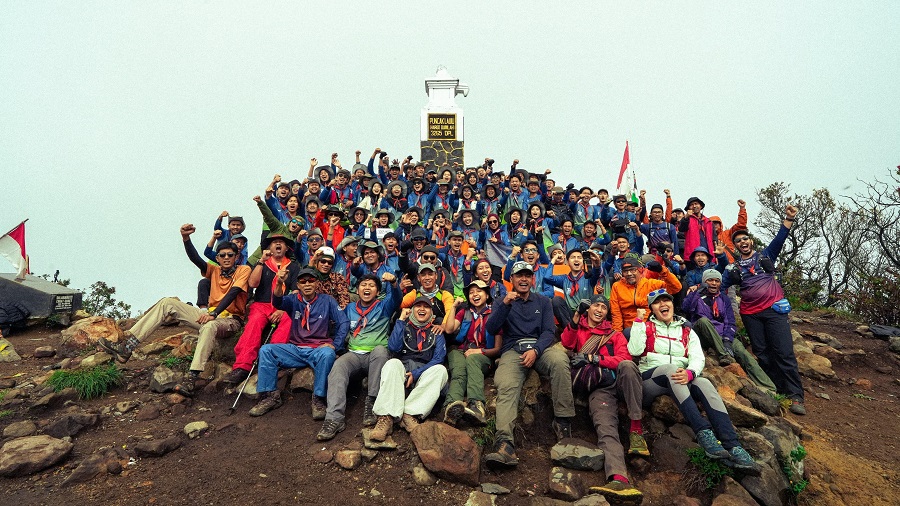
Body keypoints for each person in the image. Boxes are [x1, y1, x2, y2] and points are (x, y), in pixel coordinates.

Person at [99, 224, 250, 396]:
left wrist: (213, 314)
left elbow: (234, 292)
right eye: (222, 255)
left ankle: (192, 377)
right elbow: (196, 259)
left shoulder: (243, 270)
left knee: (209, 326)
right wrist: (186, 239)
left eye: (230, 255)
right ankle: (128, 346)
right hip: (209, 316)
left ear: (236, 256)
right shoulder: (215, 270)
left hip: (229, 320)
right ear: (217, 257)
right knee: (167, 302)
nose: (226, 258)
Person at [628, 290, 761, 475]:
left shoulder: (686, 330)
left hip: (678, 381)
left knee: (704, 383)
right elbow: (634, 350)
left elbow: (698, 357)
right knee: (671, 370)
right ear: (651, 309)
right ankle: (703, 432)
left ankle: (733, 446)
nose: (662, 304)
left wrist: (691, 373)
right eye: (657, 303)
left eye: (666, 300)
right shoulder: (646, 326)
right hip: (650, 380)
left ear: (673, 305)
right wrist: (638, 322)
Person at [483, 261, 575, 468]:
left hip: (540, 349)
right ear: (512, 280)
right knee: (506, 383)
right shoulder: (501, 301)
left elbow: (549, 332)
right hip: (513, 350)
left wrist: (536, 351)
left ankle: (563, 421)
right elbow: (491, 328)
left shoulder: (543, 301)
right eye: (519, 276)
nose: (523, 279)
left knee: (560, 361)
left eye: (527, 275)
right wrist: (505, 304)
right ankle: (504, 442)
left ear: (533, 279)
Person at [561, 294, 646, 504]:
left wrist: (595, 358)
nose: (600, 310)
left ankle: (636, 430)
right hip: (600, 388)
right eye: (596, 306)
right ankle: (619, 479)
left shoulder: (615, 334)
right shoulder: (579, 329)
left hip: (622, 381)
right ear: (588, 309)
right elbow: (567, 344)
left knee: (627, 366)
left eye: (604, 307)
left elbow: (624, 359)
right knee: (605, 427)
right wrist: (575, 318)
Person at [725, 205, 806, 415]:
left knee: (784, 352)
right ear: (735, 246)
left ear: (751, 241)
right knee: (762, 353)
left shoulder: (765, 256)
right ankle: (777, 390)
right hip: (750, 314)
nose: (743, 243)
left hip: (774, 311)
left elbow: (780, 238)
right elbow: (720, 284)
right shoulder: (734, 268)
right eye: (738, 241)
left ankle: (795, 396)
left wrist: (789, 218)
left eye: (745, 239)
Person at [248, 267, 349, 418]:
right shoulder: (293, 300)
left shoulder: (327, 300)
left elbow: (344, 322)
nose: (307, 284)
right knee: (266, 350)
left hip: (318, 349)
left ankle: (318, 399)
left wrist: (336, 345)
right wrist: (279, 283)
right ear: (298, 285)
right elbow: (277, 302)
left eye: (311, 280)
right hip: (295, 348)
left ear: (317, 284)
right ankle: (271, 396)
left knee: (328, 353)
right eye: (303, 281)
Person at [317, 273, 401, 441]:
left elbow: (397, 298)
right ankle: (334, 418)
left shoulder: (383, 306)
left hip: (375, 356)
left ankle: (372, 403)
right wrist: (333, 345)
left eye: (371, 285)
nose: (367, 288)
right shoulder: (349, 308)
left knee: (380, 350)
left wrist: (393, 282)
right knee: (339, 366)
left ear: (377, 291)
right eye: (363, 285)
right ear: (357, 289)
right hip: (354, 354)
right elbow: (341, 327)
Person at [222, 233, 302, 387]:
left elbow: (296, 291)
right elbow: (252, 283)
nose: (278, 245)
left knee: (288, 321)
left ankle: (275, 360)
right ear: (269, 248)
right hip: (262, 304)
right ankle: (242, 366)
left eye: (281, 243)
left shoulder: (293, 267)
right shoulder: (263, 264)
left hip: (284, 304)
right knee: (254, 323)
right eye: (274, 243)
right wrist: (261, 261)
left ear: (286, 248)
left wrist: (283, 310)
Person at [682, 270, 778, 392]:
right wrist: (698, 292)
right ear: (704, 282)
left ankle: (769, 388)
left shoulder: (724, 299)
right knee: (704, 321)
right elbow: (686, 308)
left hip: (721, 334)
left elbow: (730, 322)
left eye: (717, 281)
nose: (713, 283)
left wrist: (727, 340)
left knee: (743, 353)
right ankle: (724, 355)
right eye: (710, 280)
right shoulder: (696, 295)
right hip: (702, 333)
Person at [368, 297, 448, 441]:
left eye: (426, 307)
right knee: (392, 363)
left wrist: (416, 373)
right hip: (403, 371)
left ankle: (410, 414)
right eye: (418, 306)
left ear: (431, 313)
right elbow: (393, 347)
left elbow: (438, 358)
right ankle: (386, 417)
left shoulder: (436, 331)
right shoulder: (404, 326)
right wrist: (400, 320)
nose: (422, 309)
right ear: (412, 310)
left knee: (440, 370)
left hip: (423, 373)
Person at [441, 280, 501, 427]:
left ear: (487, 295)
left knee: (473, 359)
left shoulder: (494, 314)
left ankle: (477, 405)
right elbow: (449, 329)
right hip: (462, 350)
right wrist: (454, 307)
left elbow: (498, 348)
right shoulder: (465, 312)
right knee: (459, 370)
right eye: (471, 292)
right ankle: (451, 407)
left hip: (483, 354)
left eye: (479, 291)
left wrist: (479, 351)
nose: (475, 294)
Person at [609, 257, 682, 338]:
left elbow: (676, 288)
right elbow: (616, 313)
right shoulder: (617, 286)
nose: (629, 273)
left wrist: (662, 270)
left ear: (640, 270)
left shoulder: (651, 284)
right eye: (625, 271)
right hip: (629, 330)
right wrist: (617, 335)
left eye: (633, 270)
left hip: (651, 327)